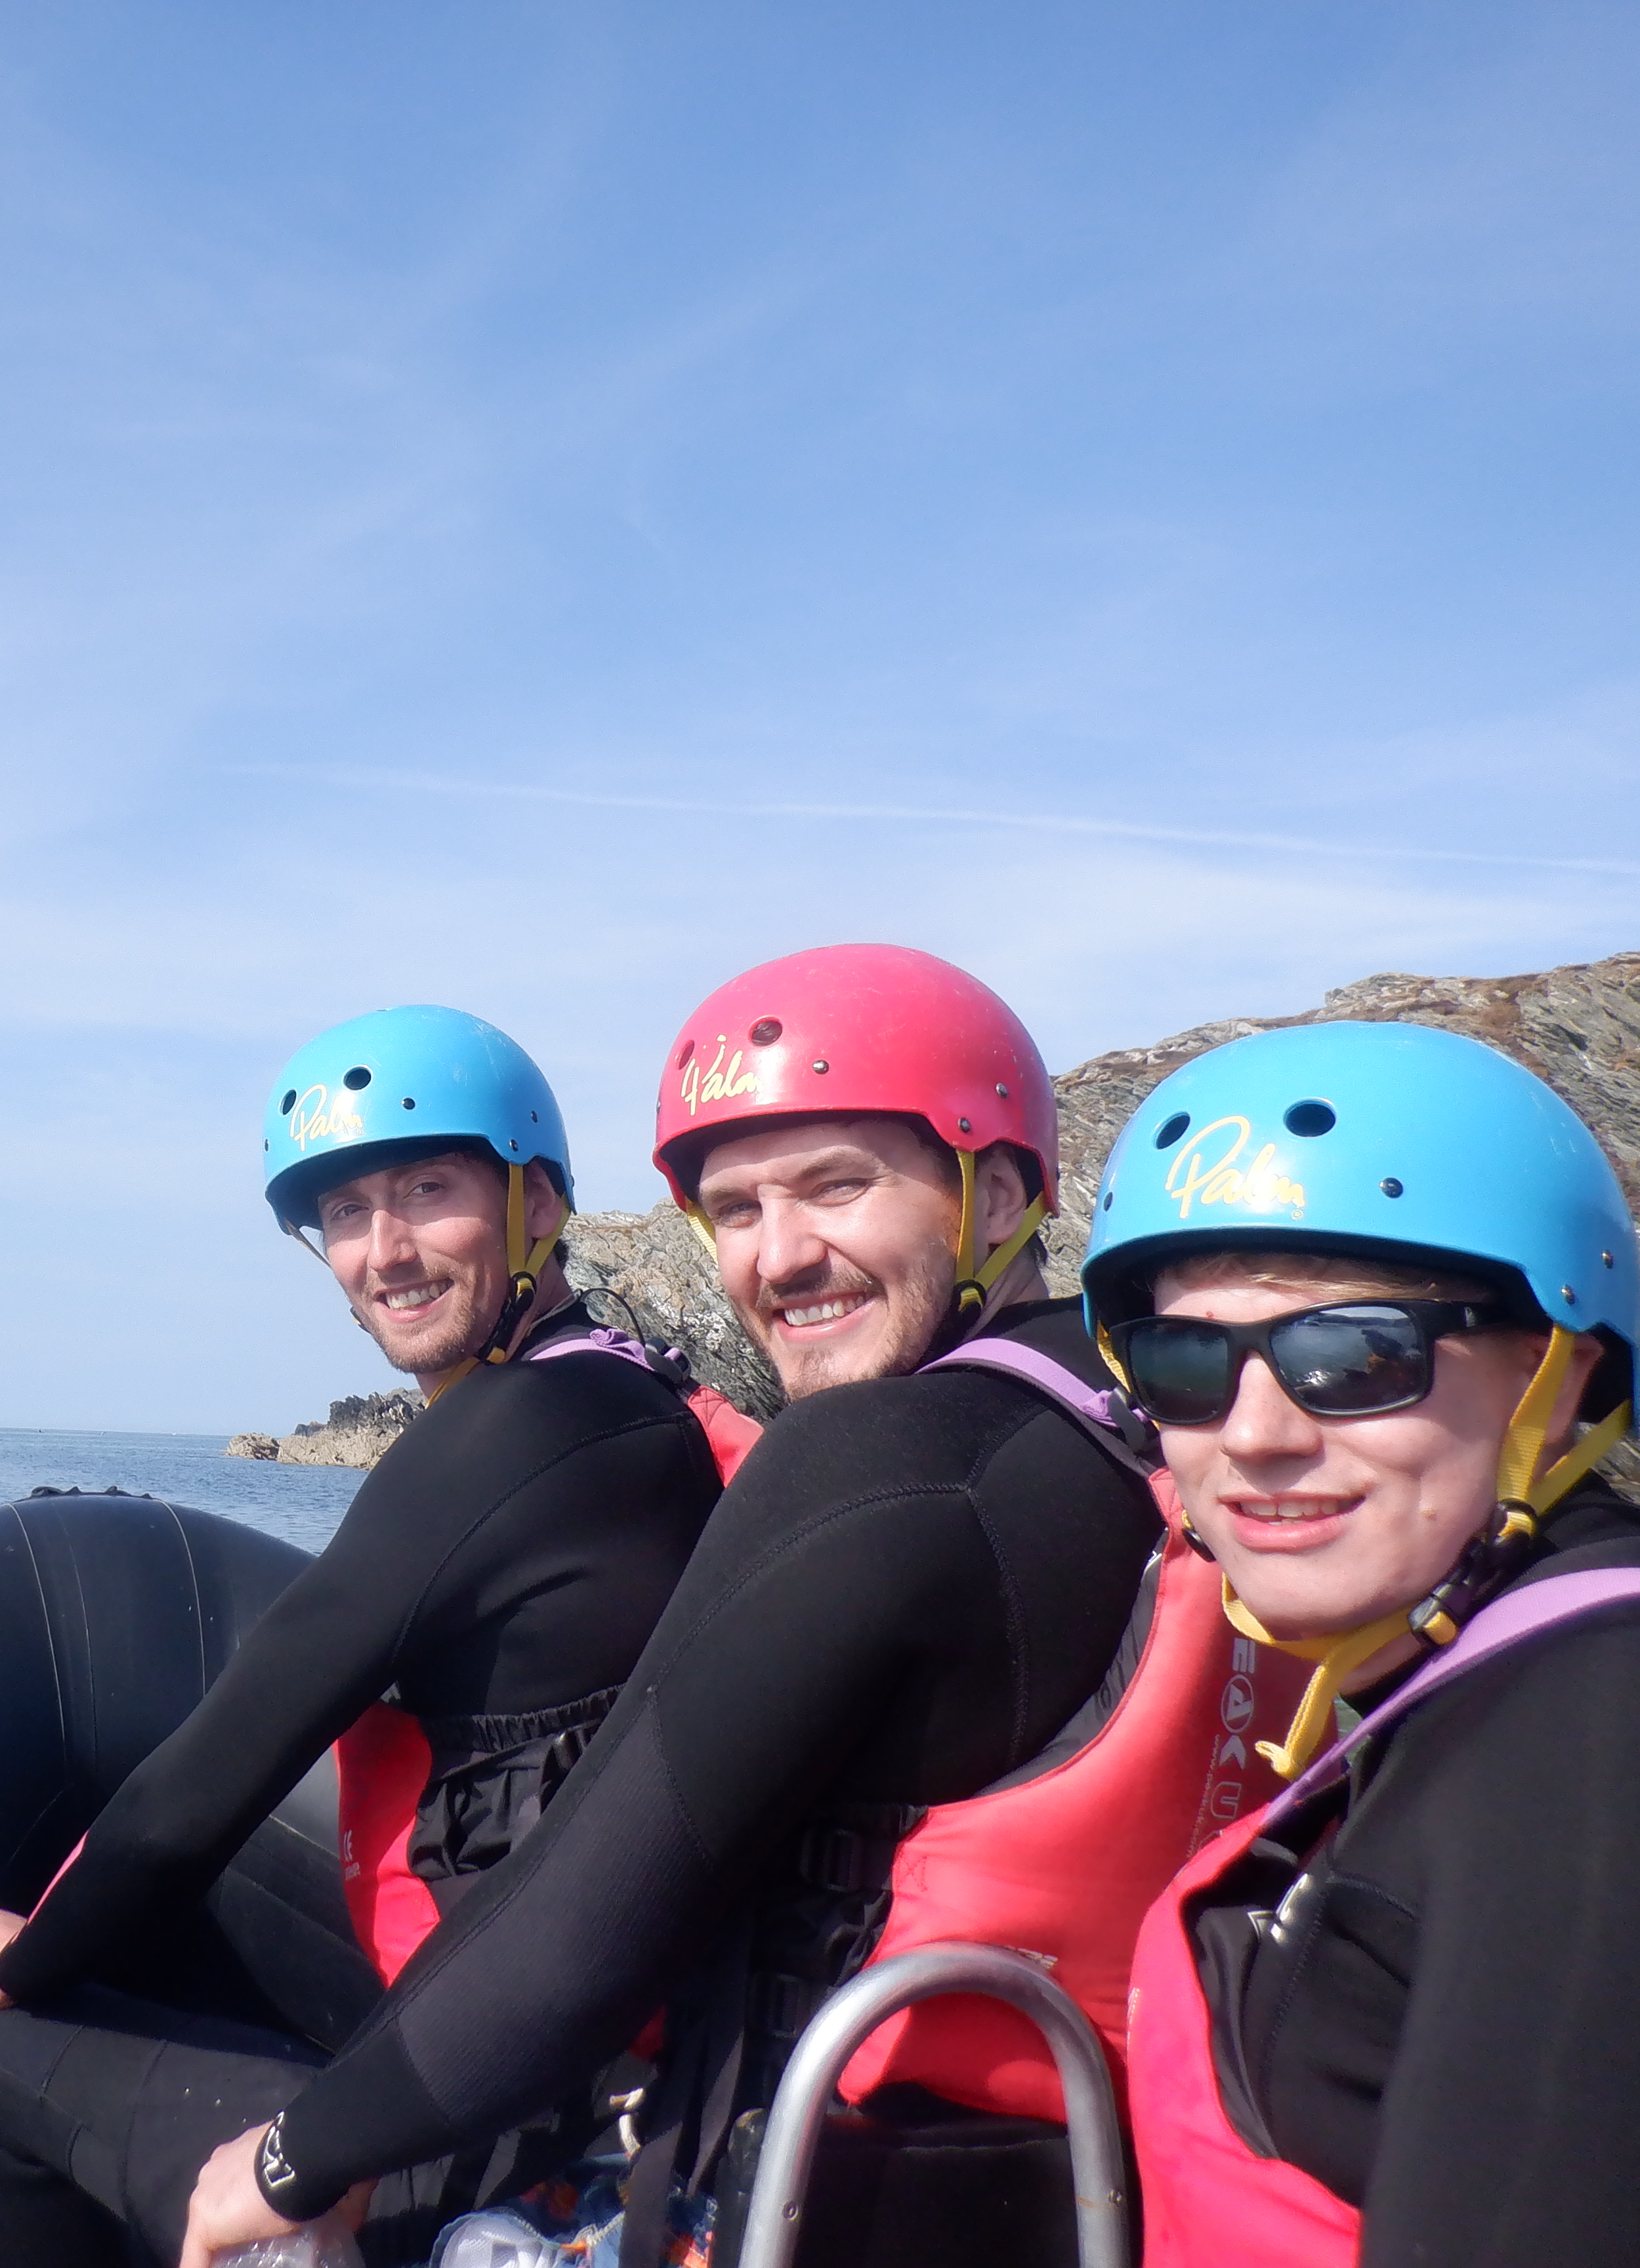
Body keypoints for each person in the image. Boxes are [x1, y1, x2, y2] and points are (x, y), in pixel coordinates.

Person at [183, 944, 1286, 2268]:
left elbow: (574, 1941)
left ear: (996, 1194)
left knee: (14, 2071)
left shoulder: (878, 1461)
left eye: (837, 1186)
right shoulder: (1139, 1432)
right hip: (1066, 2192)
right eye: (737, 1210)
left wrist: (301, 2159)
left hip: (808, 2208)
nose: (782, 1256)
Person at [0, 1005, 730, 2268]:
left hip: (528, 2111)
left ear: (540, 1201)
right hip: (560, 2021)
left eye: (428, 1190)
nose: (385, 1250)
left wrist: (20, 1962)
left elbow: (224, 1762)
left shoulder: (513, 1426)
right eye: (346, 1212)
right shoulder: (627, 1389)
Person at [1078, 1019, 1640, 2268]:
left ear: (1558, 1376)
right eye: (1184, 1363)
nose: (1256, 1435)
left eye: (1356, 1355)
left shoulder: (1628, 1732)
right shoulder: (1515, 1678)